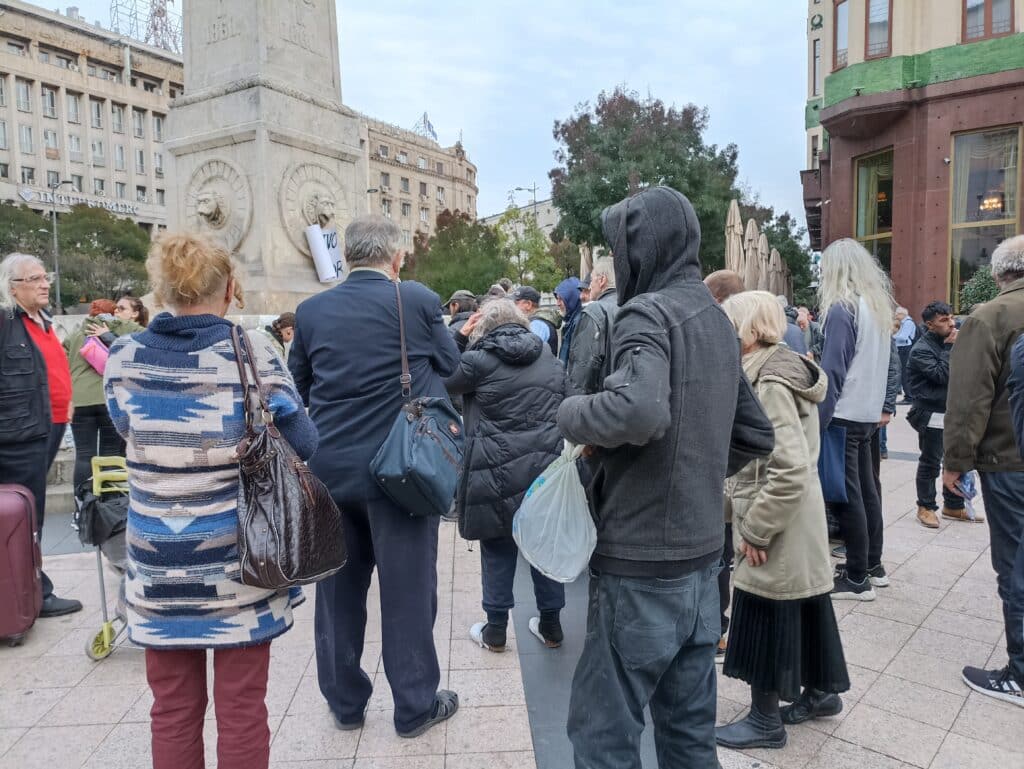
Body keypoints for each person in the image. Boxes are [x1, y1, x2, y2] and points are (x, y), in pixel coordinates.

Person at [557, 187, 774, 768]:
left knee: (603, 736)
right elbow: (756, 434)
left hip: (641, 563)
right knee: (688, 736)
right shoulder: (716, 319)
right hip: (702, 565)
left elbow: (640, 410)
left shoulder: (646, 313)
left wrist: (571, 411)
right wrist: (693, 474)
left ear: (640, 248)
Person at [102, 232, 315, 769]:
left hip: (156, 563)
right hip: (240, 559)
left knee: (172, 710)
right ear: (229, 288)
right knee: (242, 708)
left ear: (162, 291)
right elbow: (304, 441)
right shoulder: (253, 352)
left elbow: (126, 427)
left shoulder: (124, 356)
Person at [289, 215, 462, 737]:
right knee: (408, 591)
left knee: (337, 593)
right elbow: (451, 364)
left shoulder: (311, 311)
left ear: (348, 256)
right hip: (401, 470)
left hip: (330, 471)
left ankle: (345, 703)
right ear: (397, 258)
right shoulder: (416, 299)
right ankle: (413, 706)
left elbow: (298, 386)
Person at [715, 291, 849, 750]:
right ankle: (821, 692)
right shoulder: (783, 365)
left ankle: (764, 720)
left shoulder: (767, 381)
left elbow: (787, 467)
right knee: (805, 603)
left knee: (765, 611)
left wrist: (756, 529)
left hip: (777, 519)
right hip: (793, 516)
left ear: (749, 329)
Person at [445, 299, 569, 651]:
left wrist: (458, 338)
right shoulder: (549, 357)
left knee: (497, 546)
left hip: (493, 468)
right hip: (544, 469)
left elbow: (444, 380)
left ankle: (496, 631)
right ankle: (551, 627)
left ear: (483, 327)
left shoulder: (477, 361)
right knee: (543, 547)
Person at [945, 234, 1024, 707]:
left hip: (1009, 459)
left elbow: (969, 399)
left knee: (1014, 564)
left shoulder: (991, 316)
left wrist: (955, 462)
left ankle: (1020, 672)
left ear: (998, 274)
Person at [0, 253, 82, 617]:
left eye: (45, 277)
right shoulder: (5, 322)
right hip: (22, 433)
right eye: (34, 279)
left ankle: (28, 590)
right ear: (13, 287)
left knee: (31, 513)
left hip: (50, 424)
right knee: (26, 515)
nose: (44, 284)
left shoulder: (43, 321)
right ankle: (34, 593)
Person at [818, 239, 894, 601]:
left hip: (843, 414)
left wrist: (819, 419)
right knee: (867, 490)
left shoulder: (842, 308)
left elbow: (832, 370)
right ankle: (872, 566)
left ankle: (857, 576)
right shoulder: (876, 307)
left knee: (846, 496)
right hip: (866, 414)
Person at [63, 299, 144, 494]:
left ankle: (82, 502)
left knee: (84, 455)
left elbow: (61, 362)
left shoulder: (75, 334)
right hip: (110, 400)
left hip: (80, 401)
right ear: (112, 312)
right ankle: (110, 501)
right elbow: (145, 337)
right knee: (110, 453)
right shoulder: (121, 327)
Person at [905, 301, 972, 529]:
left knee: (955, 459)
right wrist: (950, 348)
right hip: (931, 411)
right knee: (930, 462)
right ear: (930, 325)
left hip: (953, 410)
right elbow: (941, 375)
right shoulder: (921, 349)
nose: (951, 323)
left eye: (951, 317)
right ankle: (925, 507)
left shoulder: (950, 341)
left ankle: (953, 505)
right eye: (944, 320)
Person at [567, 256, 619, 394]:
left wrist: (574, 402)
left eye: (591, 280)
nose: (589, 286)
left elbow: (582, 369)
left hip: (601, 399)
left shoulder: (595, 311)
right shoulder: (633, 306)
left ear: (602, 280)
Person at [512, 285, 561, 357]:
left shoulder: (537, 324)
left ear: (528, 304)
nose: (513, 307)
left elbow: (527, 352)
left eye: (516, 303)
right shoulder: (537, 321)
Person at [554, 276, 582, 365]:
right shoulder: (571, 320)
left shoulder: (579, 322)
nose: (557, 303)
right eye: (557, 299)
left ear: (571, 299)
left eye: (561, 299)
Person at [893, 306, 917, 402]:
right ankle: (906, 394)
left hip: (905, 348)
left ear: (902, 314)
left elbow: (903, 337)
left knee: (904, 372)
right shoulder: (903, 323)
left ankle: (909, 396)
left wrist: (892, 336)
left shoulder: (908, 323)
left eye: (897, 314)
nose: (895, 316)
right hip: (902, 348)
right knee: (901, 371)